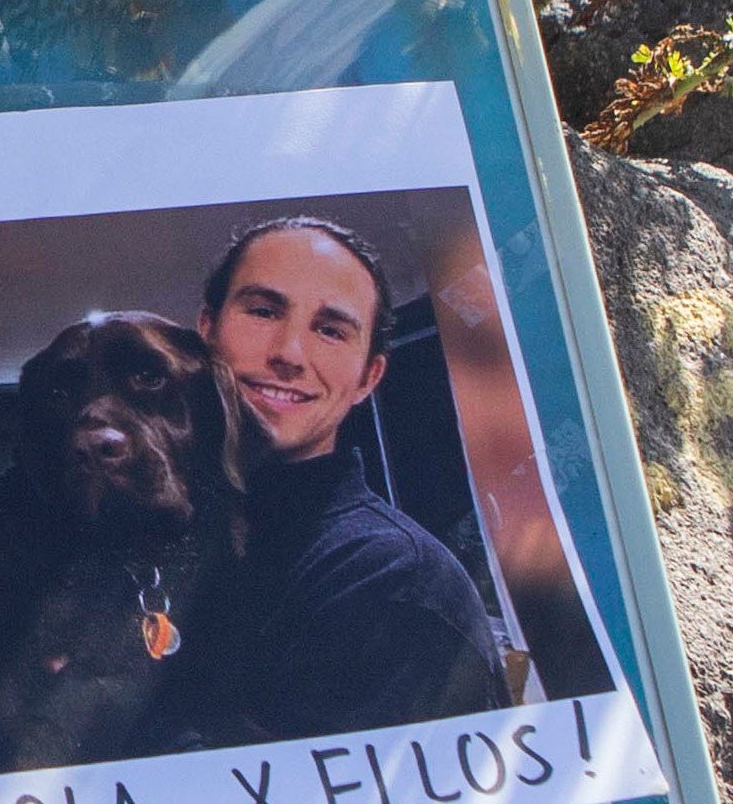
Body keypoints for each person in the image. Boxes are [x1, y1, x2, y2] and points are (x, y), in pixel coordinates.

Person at [175, 214, 502, 742]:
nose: (289, 353)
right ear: (207, 330)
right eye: (262, 311)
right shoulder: (168, 536)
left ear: (368, 378)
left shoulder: (394, 581)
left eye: (330, 330)